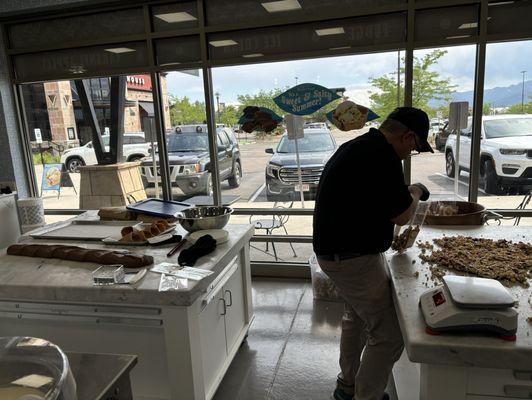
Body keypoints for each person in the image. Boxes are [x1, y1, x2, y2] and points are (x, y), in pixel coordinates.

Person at [313, 107, 432, 400]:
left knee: (357, 317)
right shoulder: (383, 156)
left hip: (336, 252)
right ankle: (366, 396)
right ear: (407, 136)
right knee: (390, 333)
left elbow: (373, 196)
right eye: (414, 147)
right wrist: (415, 190)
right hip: (352, 258)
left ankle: (348, 384)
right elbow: (403, 215)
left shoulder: (360, 147)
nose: (410, 153)